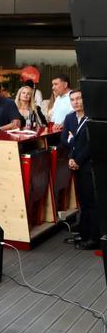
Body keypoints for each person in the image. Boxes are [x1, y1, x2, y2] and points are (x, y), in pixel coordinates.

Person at [64, 90, 99, 250]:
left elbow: (92, 144)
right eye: (73, 99)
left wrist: (77, 160)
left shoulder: (92, 118)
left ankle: (93, 238)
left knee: (91, 203)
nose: (76, 102)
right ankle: (84, 233)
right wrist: (71, 157)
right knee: (83, 202)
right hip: (75, 164)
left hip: (88, 166)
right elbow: (66, 140)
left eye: (79, 98)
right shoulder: (70, 117)